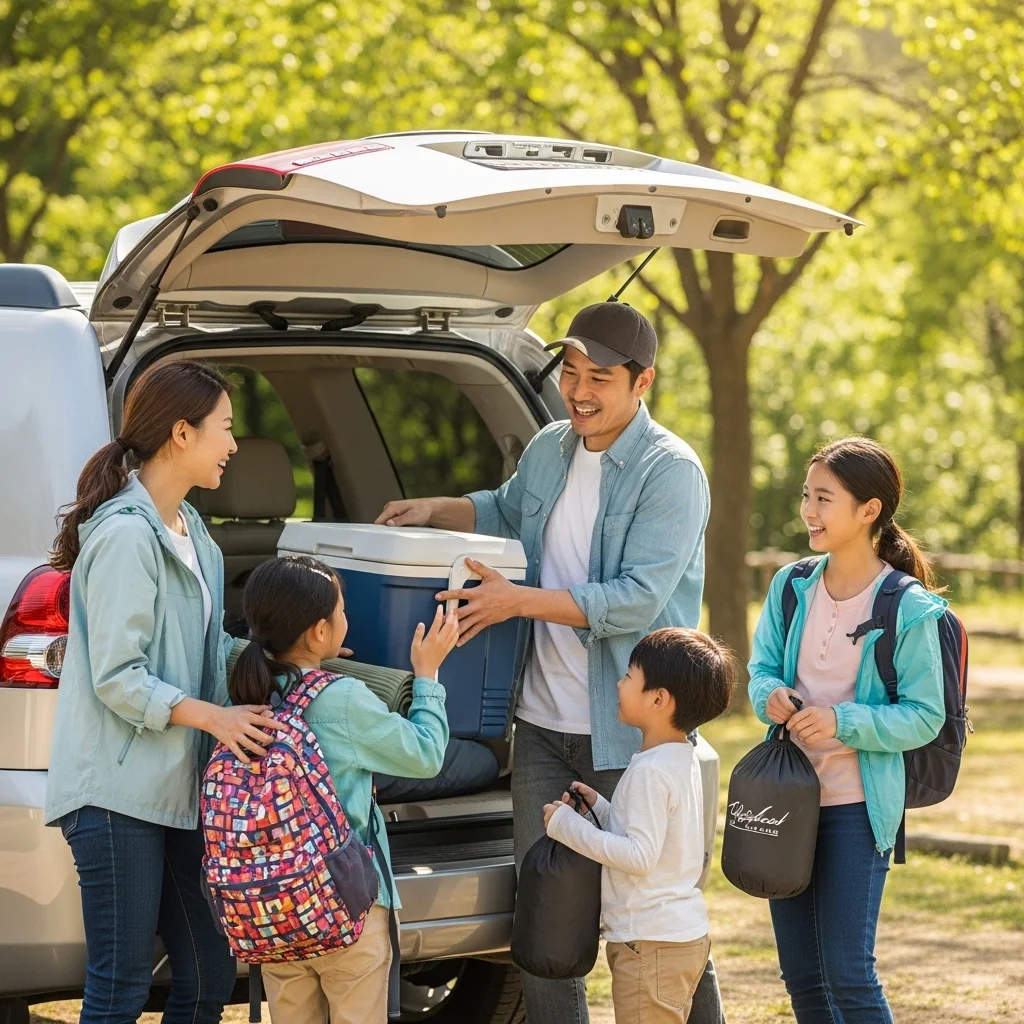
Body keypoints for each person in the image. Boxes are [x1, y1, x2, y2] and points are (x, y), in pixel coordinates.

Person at [375, 301, 724, 1024]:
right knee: (547, 926)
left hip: (631, 732)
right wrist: (435, 509)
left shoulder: (672, 473)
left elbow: (634, 598)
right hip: (541, 725)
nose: (580, 391)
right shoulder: (552, 446)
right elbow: (506, 509)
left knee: (653, 919)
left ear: (643, 382)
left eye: (599, 377)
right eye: (570, 372)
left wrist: (518, 603)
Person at [44, 361, 290, 1023]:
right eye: (226, 428)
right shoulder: (127, 537)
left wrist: (292, 659)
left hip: (180, 793)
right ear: (182, 432)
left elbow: (203, 654)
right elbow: (118, 678)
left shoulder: (194, 535)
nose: (234, 445)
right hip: (115, 795)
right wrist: (217, 718)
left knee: (210, 976)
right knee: (120, 989)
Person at [747, 437, 947, 1023]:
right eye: (807, 496)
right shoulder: (791, 585)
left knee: (849, 974)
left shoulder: (907, 607)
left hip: (856, 808)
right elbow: (760, 670)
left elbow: (924, 715)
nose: (808, 511)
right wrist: (771, 696)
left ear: (869, 510)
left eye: (824, 499)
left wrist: (843, 722)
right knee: (802, 977)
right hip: (786, 802)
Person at [229, 554, 458, 1023]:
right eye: (340, 612)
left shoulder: (242, 688)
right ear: (319, 631)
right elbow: (426, 754)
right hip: (345, 905)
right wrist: (428, 674)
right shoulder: (345, 698)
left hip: (274, 907)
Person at [543, 627, 734, 1024]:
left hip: (650, 943)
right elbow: (654, 835)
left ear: (659, 699)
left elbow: (640, 855)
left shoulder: (651, 770)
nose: (619, 682)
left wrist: (566, 827)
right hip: (677, 936)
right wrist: (603, 808)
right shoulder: (679, 758)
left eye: (629, 676)